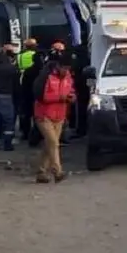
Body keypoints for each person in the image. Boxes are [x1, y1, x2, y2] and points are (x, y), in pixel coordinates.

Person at [32, 53, 75, 183]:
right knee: (53, 143)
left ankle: (41, 172)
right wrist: (61, 98)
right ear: (58, 66)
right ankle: (58, 171)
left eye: (68, 69)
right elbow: (41, 96)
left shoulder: (68, 77)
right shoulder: (47, 77)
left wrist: (72, 98)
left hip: (59, 115)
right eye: (64, 68)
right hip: (44, 114)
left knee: (50, 144)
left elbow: (71, 91)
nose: (66, 71)